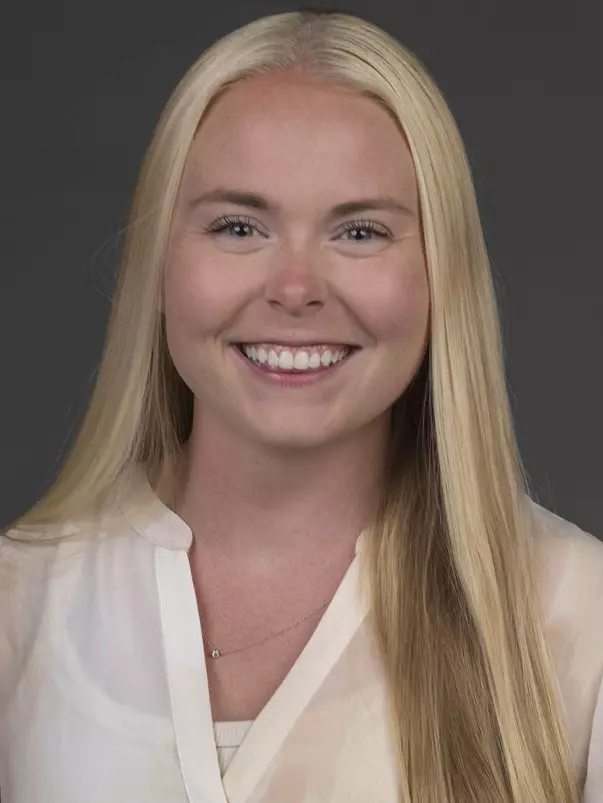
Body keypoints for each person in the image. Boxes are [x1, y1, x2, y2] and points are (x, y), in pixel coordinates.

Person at [0, 8, 601, 803]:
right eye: (239, 225)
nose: (294, 289)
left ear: (438, 276)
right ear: (159, 264)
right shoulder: (18, 602)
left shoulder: (577, 615)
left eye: (358, 233)